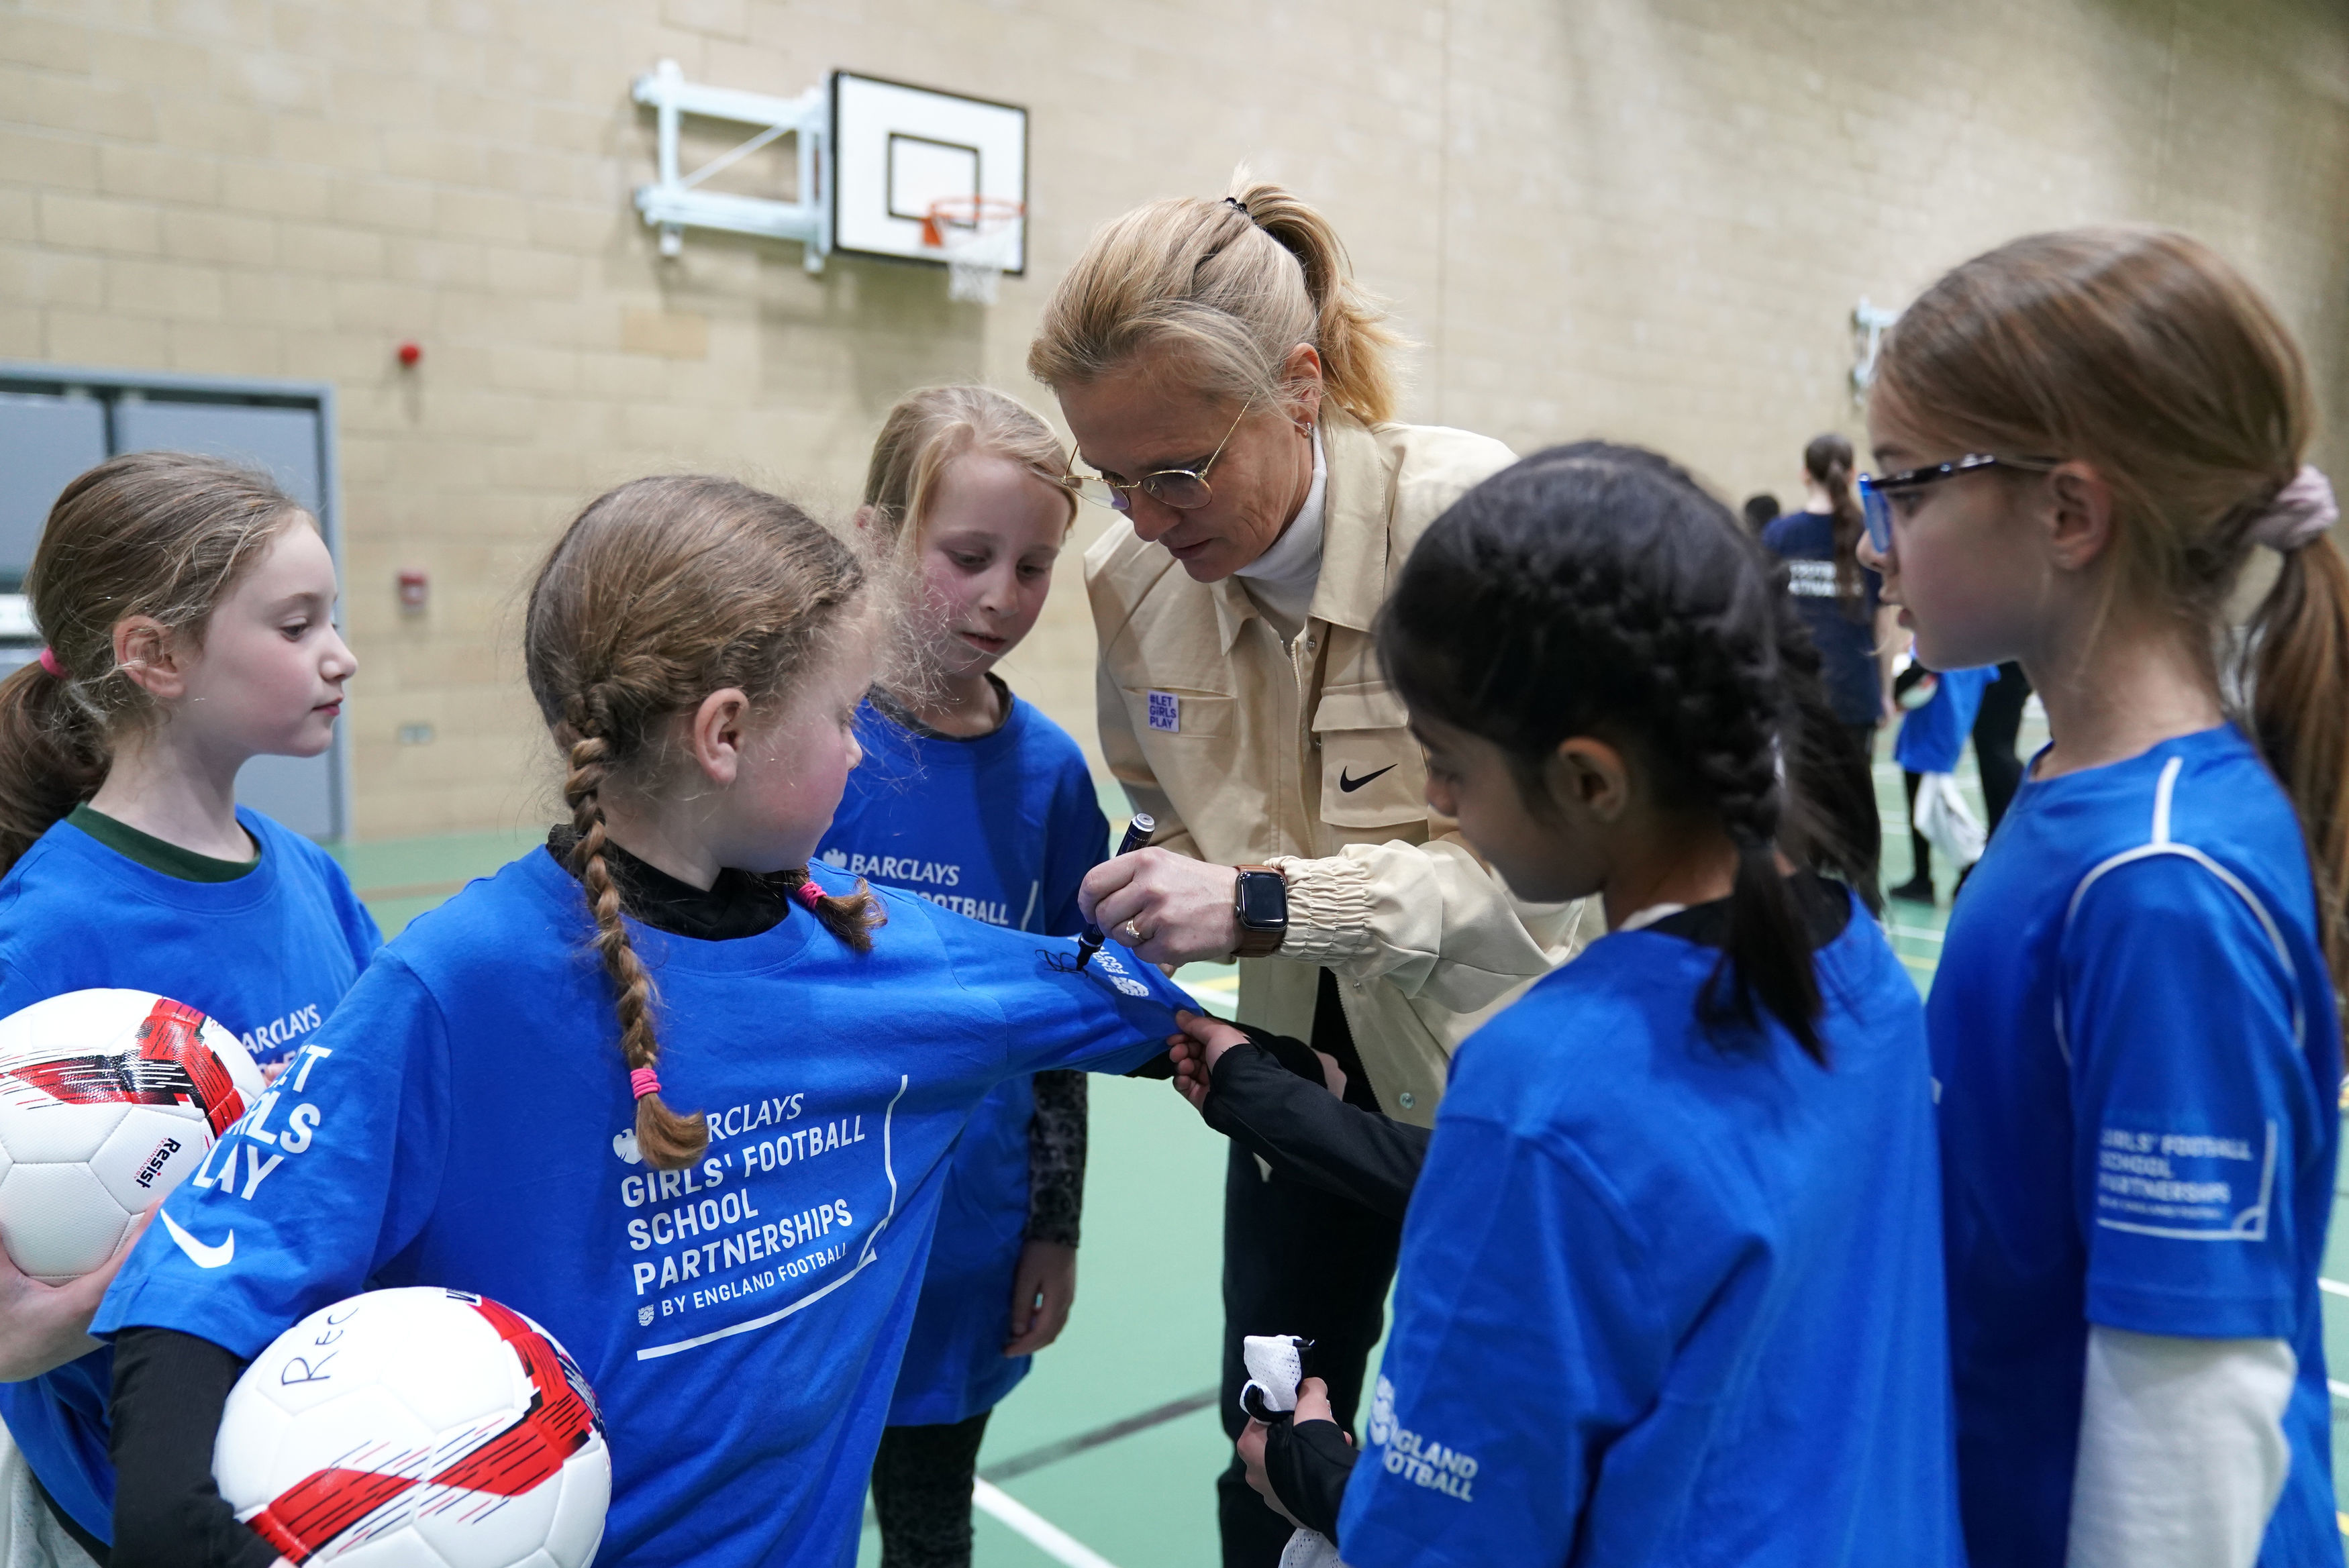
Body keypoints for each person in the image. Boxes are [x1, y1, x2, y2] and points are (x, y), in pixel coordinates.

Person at [91, 475, 1195, 1567]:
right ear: (724, 733)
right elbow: (219, 1260)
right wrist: (182, 1524)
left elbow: (1132, 1008)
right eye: (844, 717)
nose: (861, 751)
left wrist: (1267, 1022)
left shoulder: (878, 941)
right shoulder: (459, 982)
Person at [1181, 443, 1956, 1565]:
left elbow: (1445, 1540)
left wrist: (1310, 1473)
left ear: (1591, 779)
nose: (1434, 798)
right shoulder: (1867, 975)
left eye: (1447, 763)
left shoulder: (1543, 1086)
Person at [1026, 176, 1585, 1563]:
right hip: (1290, 1093)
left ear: (1297, 384)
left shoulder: (1473, 533)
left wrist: (1263, 899)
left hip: (1491, 1098)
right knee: (1266, 1434)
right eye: (1113, 476)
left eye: (1177, 470)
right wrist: (1151, 883)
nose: (1146, 518)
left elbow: (1545, 879)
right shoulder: (1129, 581)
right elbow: (1168, 805)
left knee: (1493, 1460)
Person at [1863, 227, 2348, 1568]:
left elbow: (2184, 1431)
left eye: (1900, 489)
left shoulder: (2157, 887)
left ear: (2069, 514)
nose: (1876, 541)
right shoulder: (2066, 780)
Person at [0, 453, 379, 1567]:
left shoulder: (312, 879)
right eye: (296, 625)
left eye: (332, 618)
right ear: (154, 656)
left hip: (306, 1452)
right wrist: (192, 1264)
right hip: (130, 1505)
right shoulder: (45, 934)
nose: (340, 656)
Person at [823, 386, 1106, 1568]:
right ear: (878, 536)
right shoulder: (809, 734)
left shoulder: (1047, 776)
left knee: (931, 1528)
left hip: (966, 1239)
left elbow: (1061, 1032)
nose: (1004, 595)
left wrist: (1053, 1226)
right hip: (806, 1230)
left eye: (1035, 565)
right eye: (970, 555)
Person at [1762, 434, 1897, 877]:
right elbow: (1883, 624)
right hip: (1852, 689)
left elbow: (1765, 619)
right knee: (1856, 793)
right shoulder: (1867, 535)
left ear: (1805, 473)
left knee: (1800, 794)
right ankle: (1862, 894)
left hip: (1799, 692)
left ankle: (1803, 892)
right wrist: (1885, 691)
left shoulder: (1780, 534)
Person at [1887, 662, 1996, 904]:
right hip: (1950, 722)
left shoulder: (1945, 641)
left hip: (1932, 727)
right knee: (1929, 805)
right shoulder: (1979, 652)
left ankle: (1964, 868)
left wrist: (1891, 694)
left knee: (1933, 808)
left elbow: (1921, 669)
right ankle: (1925, 875)